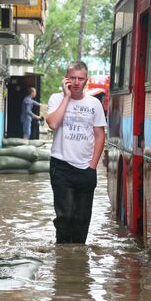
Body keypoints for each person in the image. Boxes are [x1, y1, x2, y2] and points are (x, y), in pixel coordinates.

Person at [46, 61, 107, 244]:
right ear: (66, 79)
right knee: (64, 217)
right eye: (72, 78)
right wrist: (66, 97)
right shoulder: (56, 99)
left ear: (86, 80)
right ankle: (63, 260)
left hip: (86, 168)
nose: (76, 82)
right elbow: (53, 124)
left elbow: (99, 136)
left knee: (81, 220)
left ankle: (77, 265)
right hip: (61, 166)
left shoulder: (94, 104)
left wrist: (92, 166)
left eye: (80, 78)